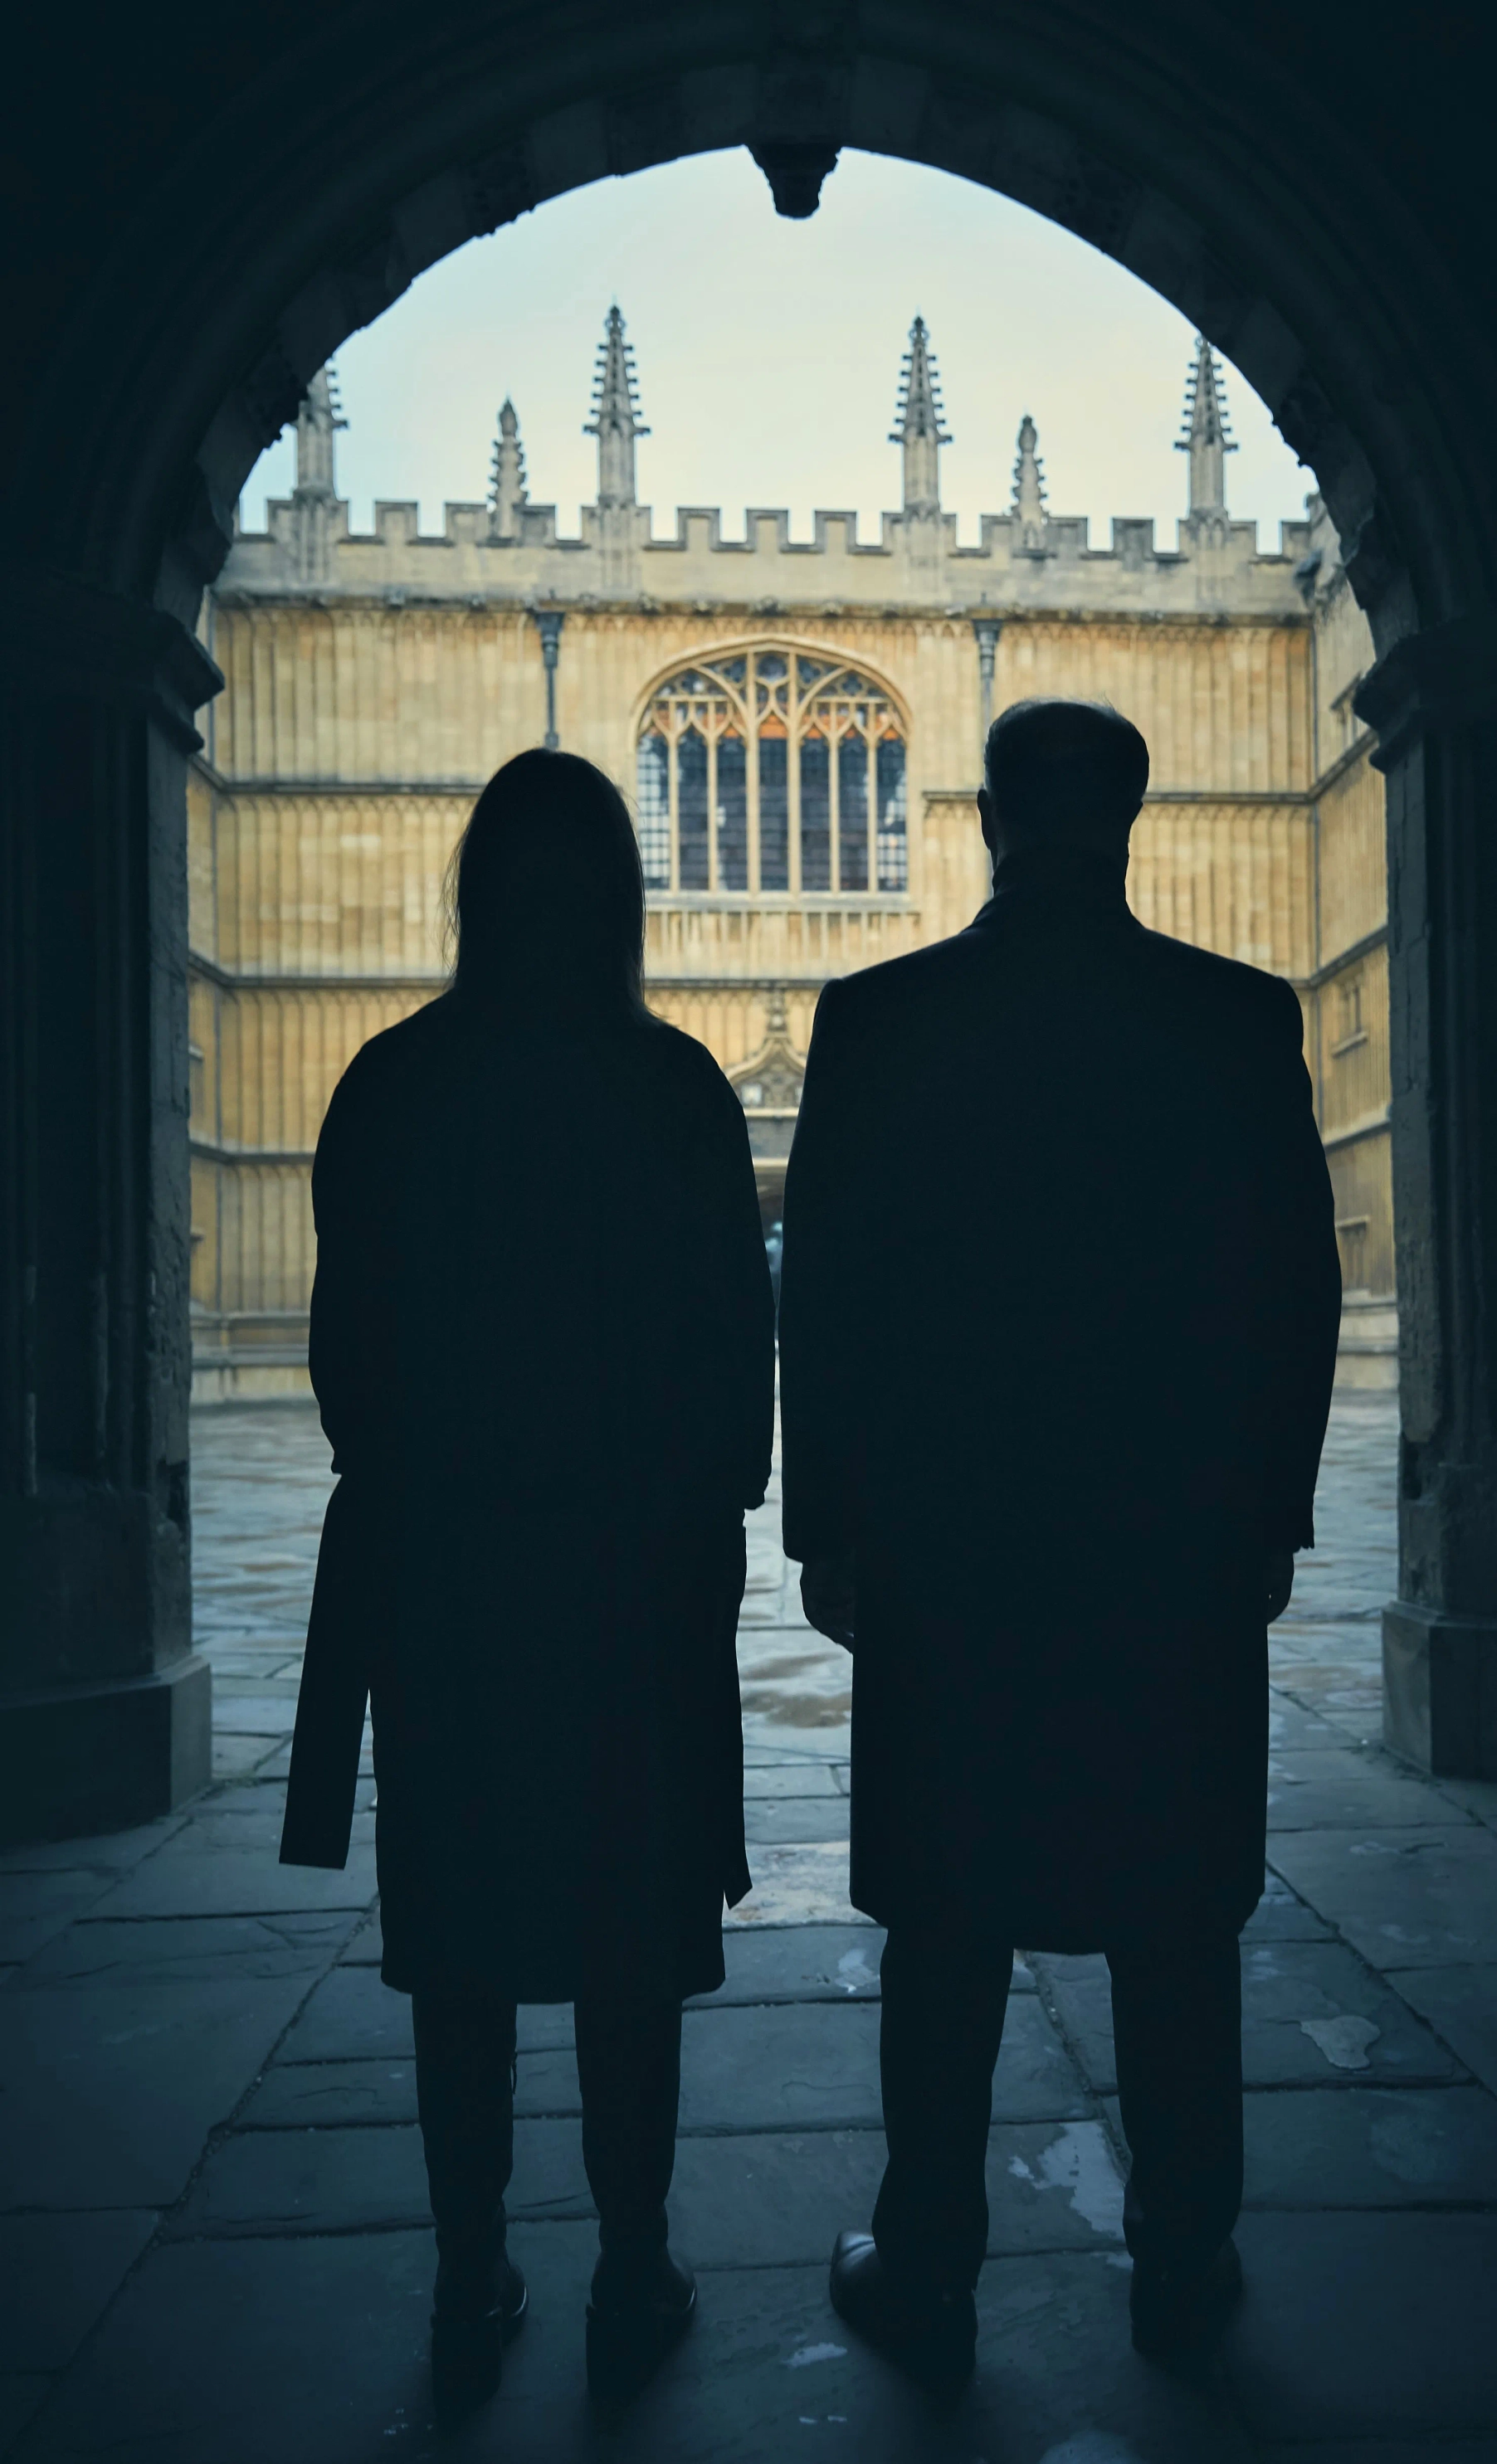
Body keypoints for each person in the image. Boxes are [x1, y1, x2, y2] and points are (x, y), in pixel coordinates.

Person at [779, 698, 1340, 2389]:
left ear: (989, 822)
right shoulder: (1233, 1021)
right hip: (1167, 1547)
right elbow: (1293, 1292)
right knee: (1174, 1917)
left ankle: (933, 2267)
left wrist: (831, 1526)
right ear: (1133, 819)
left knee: (947, 1919)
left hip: (954, 1547)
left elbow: (832, 1298)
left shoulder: (883, 1019)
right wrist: (1274, 1514)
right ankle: (1185, 2257)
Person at [279, 749, 774, 2413]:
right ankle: (633, 2264)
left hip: (451, 1584)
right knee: (630, 1934)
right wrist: (698, 1523)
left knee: (464, 1941)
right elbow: (732, 1374)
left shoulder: (393, 1085)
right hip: (633, 1590)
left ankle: (467, 2264)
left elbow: (344, 1358)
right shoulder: (677, 1089)